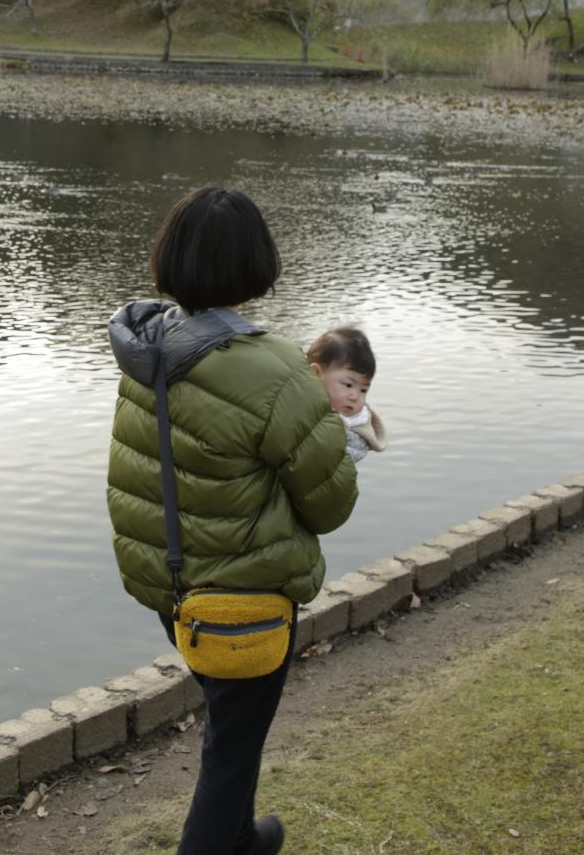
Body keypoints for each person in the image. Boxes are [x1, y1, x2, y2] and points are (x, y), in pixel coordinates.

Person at [108, 186, 357, 854]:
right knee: (232, 749)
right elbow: (329, 504)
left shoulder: (147, 348)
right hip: (242, 595)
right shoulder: (273, 368)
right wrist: (338, 432)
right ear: (256, 263)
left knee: (232, 723)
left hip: (172, 584)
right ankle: (224, 838)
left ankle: (243, 839)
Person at [305, 327, 387, 463]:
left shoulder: (352, 429)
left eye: (363, 390)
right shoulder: (292, 402)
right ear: (316, 374)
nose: (355, 397)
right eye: (348, 385)